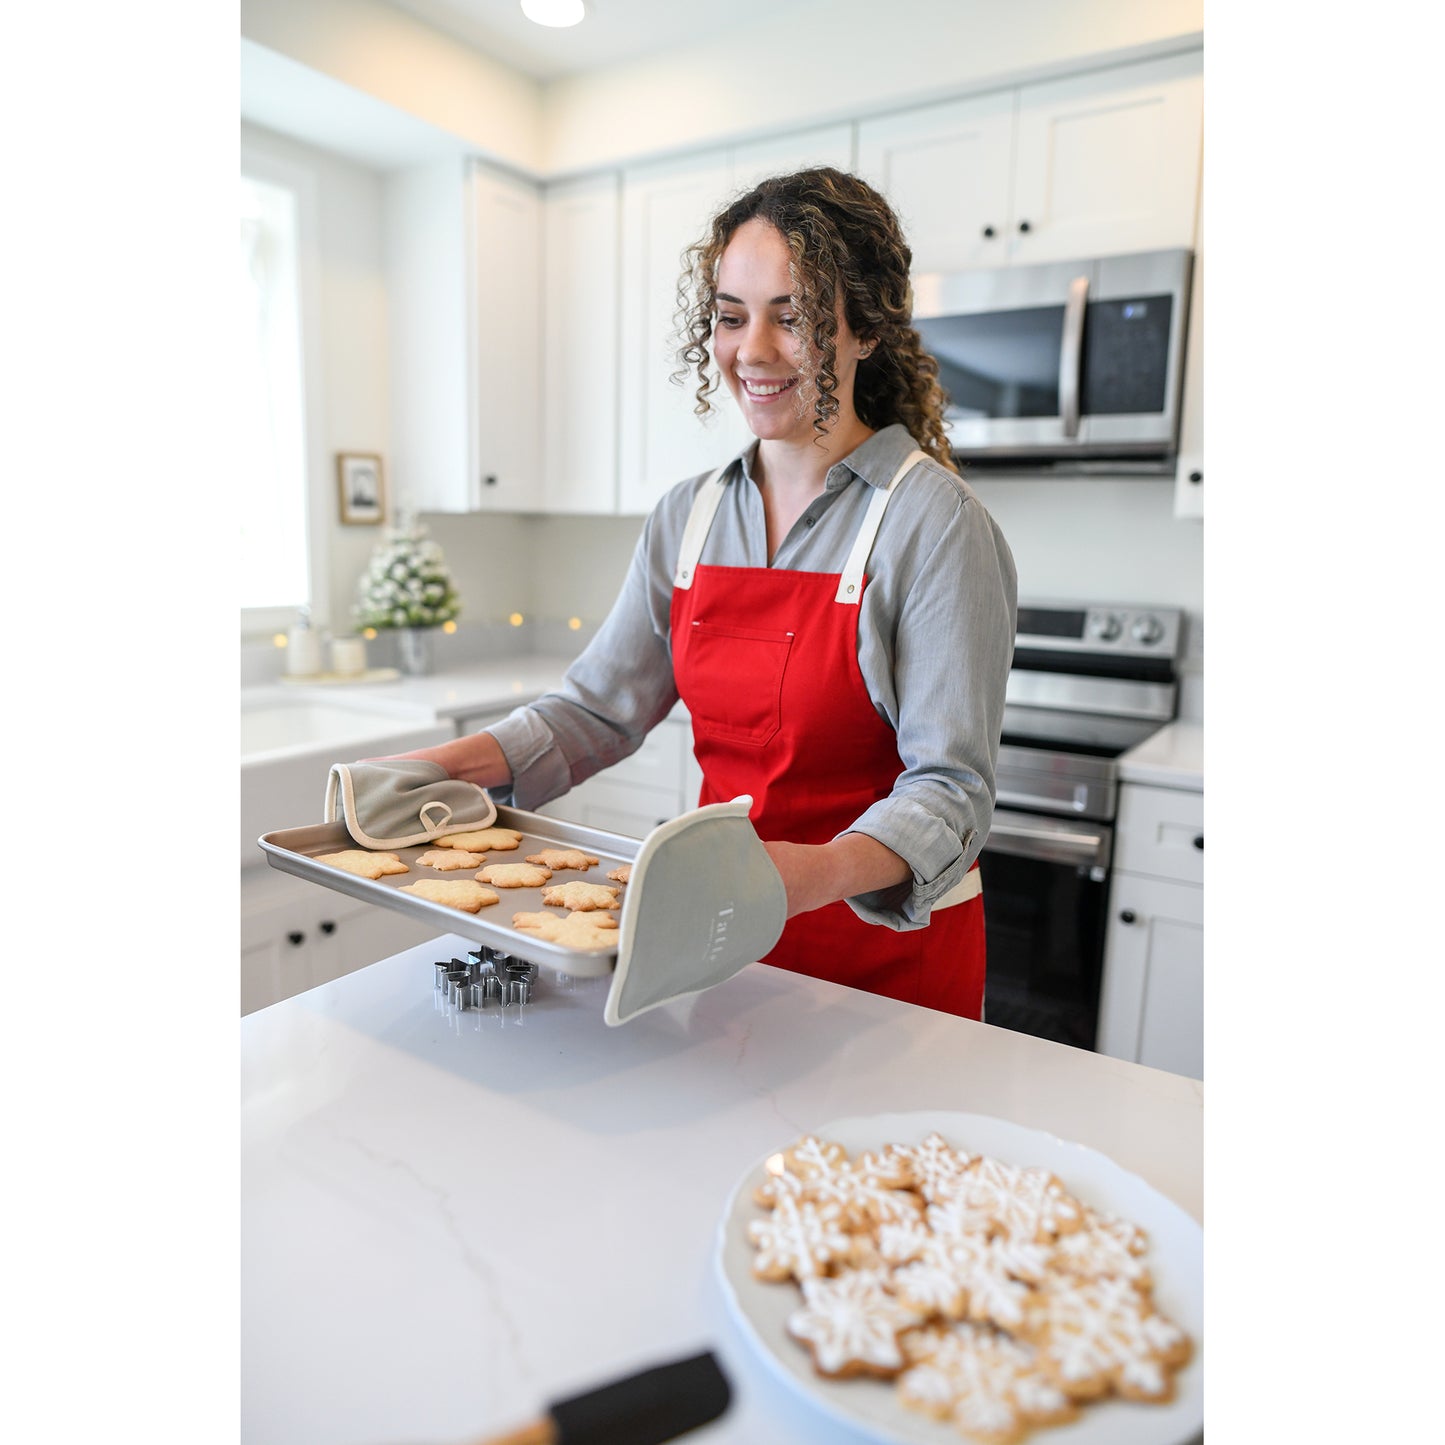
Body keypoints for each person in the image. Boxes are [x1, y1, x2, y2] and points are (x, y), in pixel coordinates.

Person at [398, 167, 1017, 1019]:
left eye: (790, 316)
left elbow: (950, 790)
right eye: (730, 317)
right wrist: (429, 771)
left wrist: (801, 873)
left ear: (865, 327)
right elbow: (597, 710)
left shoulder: (934, 524)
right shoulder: (687, 516)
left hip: (883, 974)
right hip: (725, 944)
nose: (751, 351)